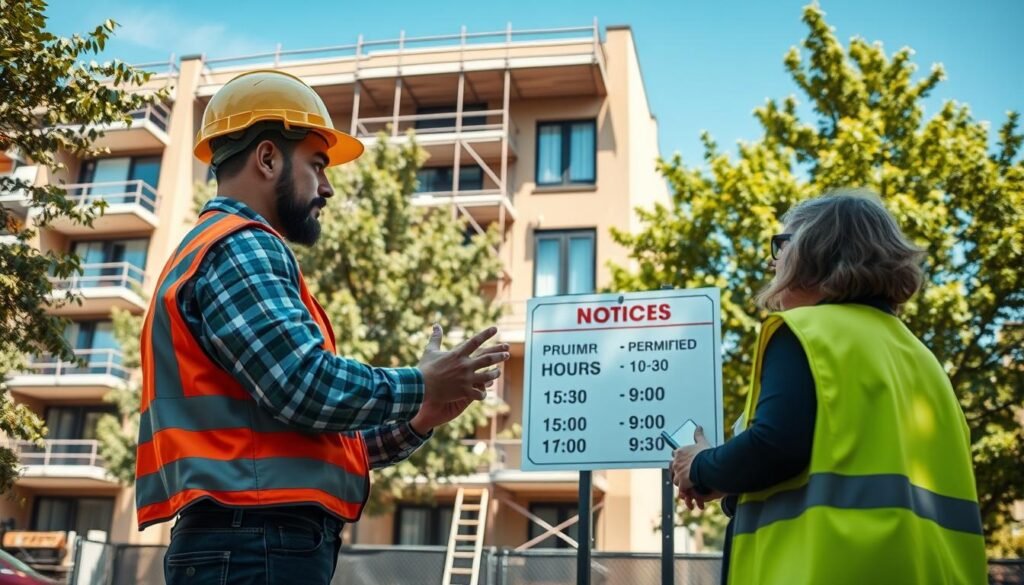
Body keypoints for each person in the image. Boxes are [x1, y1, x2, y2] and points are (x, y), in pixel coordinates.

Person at [135, 70, 510, 585]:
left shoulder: (221, 247)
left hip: (249, 540)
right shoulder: (241, 245)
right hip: (255, 542)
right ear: (267, 158)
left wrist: (420, 414)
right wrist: (420, 382)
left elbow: (315, 434)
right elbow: (305, 385)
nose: (328, 187)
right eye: (317, 165)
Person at [670, 191, 987, 584]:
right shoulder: (922, 360)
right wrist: (730, 484)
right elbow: (839, 466)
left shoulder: (806, 333)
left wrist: (699, 464)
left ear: (814, 252)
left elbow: (775, 445)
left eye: (782, 245)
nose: (773, 261)